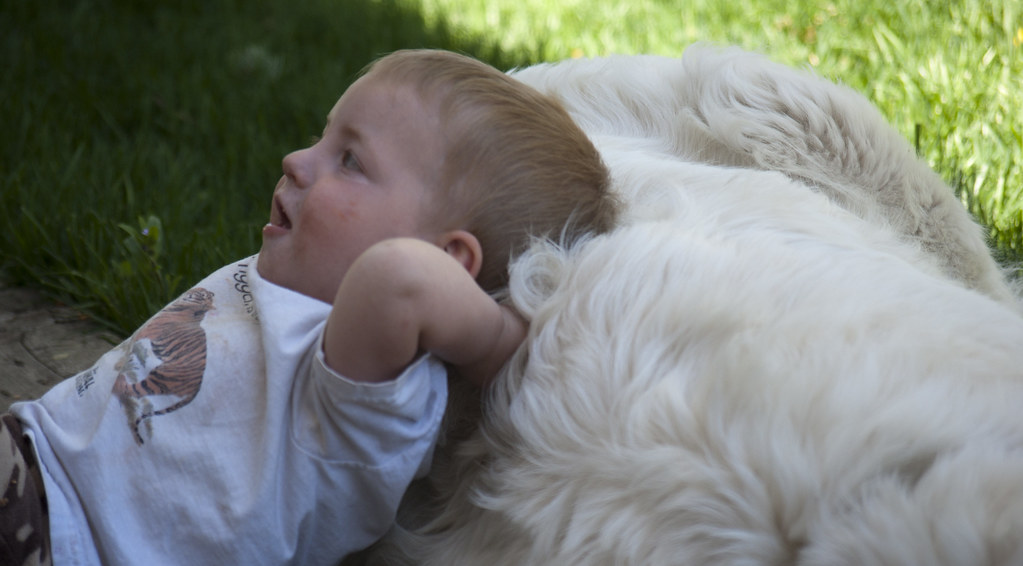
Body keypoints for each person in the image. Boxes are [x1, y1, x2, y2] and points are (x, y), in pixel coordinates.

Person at [1, 49, 618, 565]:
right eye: (322, 138)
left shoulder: (368, 383)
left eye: (350, 159)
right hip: (31, 457)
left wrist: (496, 343)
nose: (296, 162)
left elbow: (397, 276)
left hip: (65, 537)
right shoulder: (294, 290)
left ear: (447, 264)